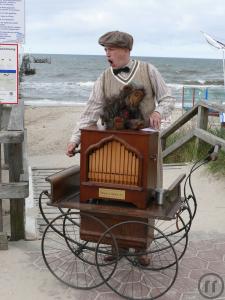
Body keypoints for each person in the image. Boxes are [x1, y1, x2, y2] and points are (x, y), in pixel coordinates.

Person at [66, 30, 175, 265]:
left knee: (145, 198)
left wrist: (158, 112)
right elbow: (91, 111)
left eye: (111, 49)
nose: (107, 54)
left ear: (126, 50)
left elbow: (168, 99)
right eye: (105, 50)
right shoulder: (104, 78)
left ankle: (141, 247)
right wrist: (75, 138)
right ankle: (116, 244)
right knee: (112, 196)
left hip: (146, 148)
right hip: (113, 149)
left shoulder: (149, 70)